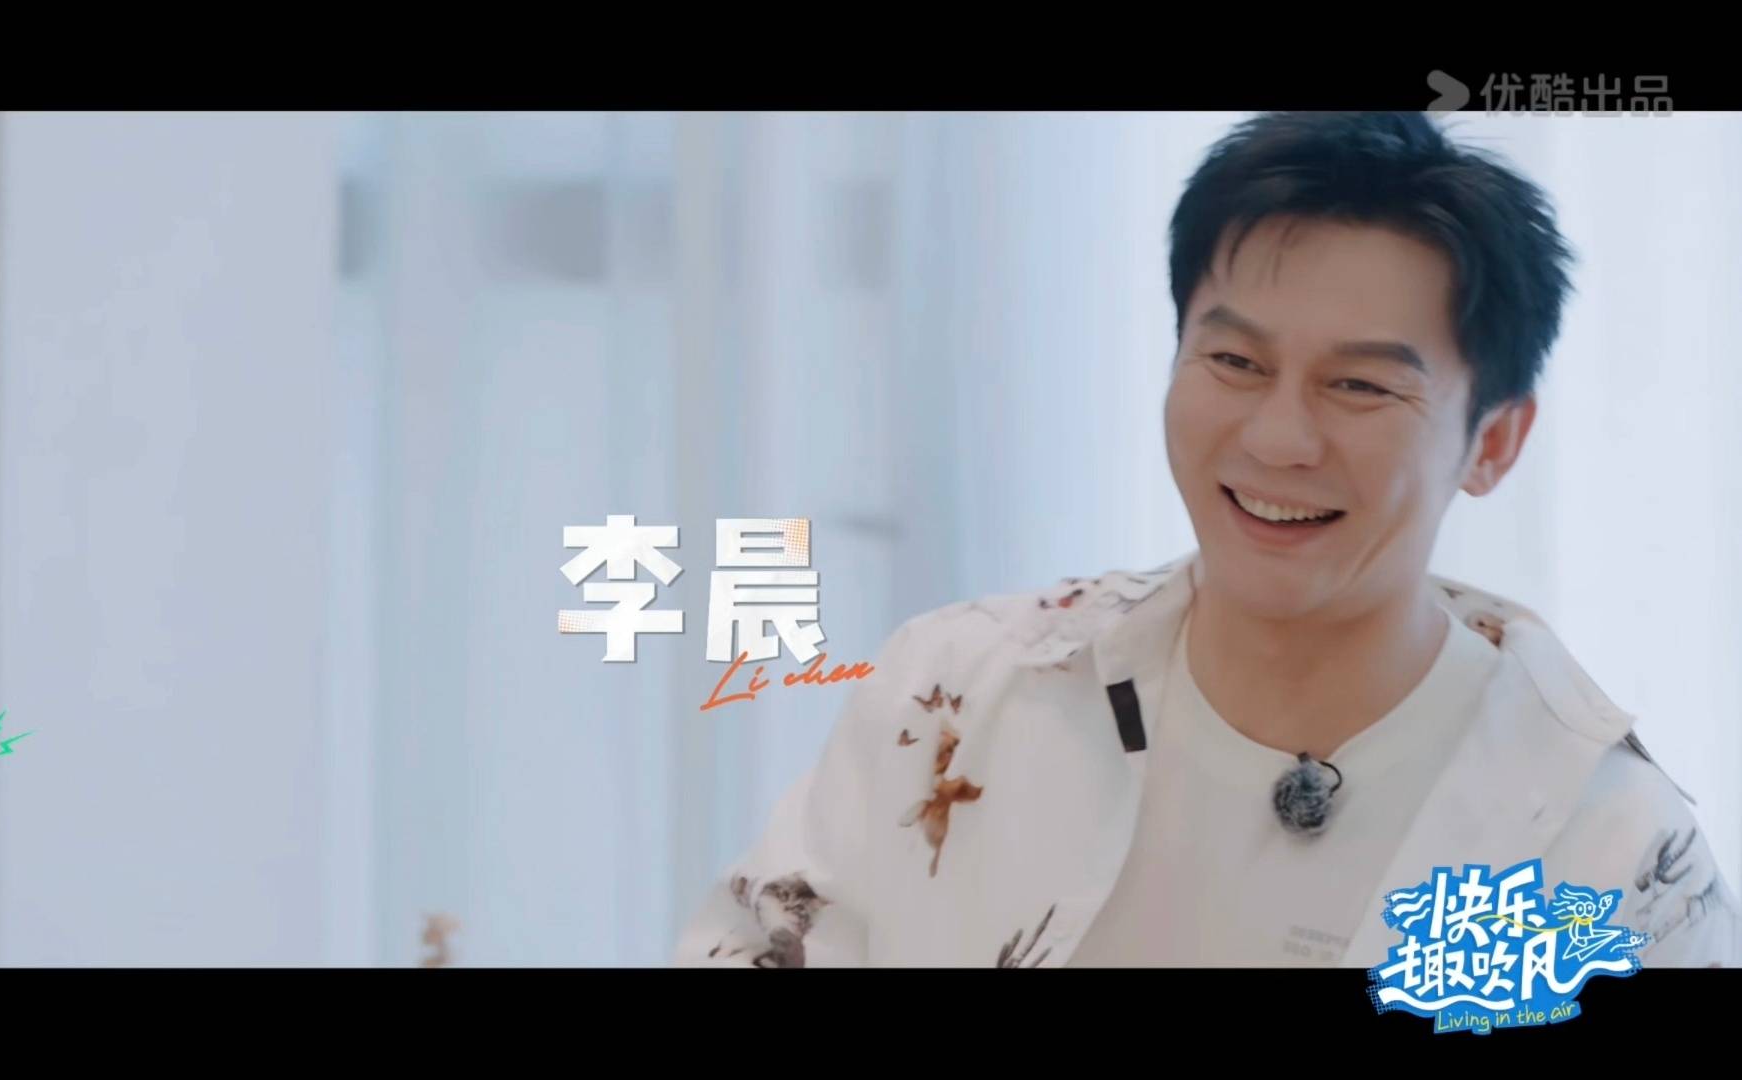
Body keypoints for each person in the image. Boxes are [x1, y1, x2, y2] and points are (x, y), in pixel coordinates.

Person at [672, 111, 1739, 969]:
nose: (1277, 438)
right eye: (1233, 363)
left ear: (1492, 442)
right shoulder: (955, 695)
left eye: (1359, 386)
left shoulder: (1608, 853)